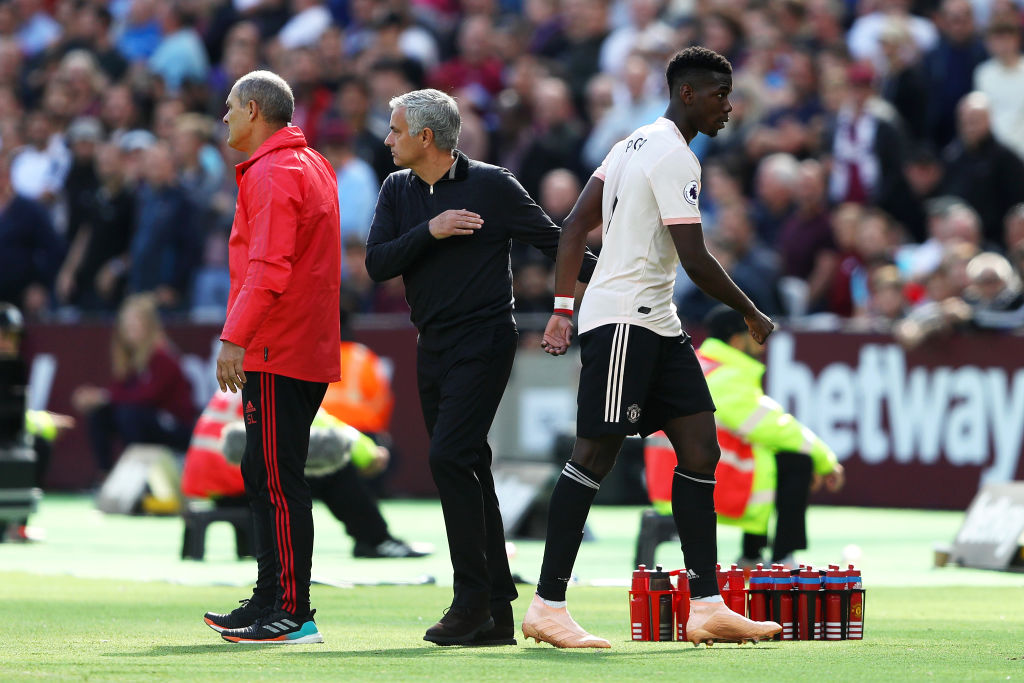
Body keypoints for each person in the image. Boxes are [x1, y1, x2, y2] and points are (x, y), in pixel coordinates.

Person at [526, 46, 782, 648]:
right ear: (687, 93)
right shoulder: (674, 155)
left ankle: (707, 606)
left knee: (700, 448)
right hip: (625, 319)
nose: (729, 106)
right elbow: (694, 257)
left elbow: (574, 228)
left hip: (657, 320)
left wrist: (564, 307)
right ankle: (547, 605)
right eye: (720, 94)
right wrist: (750, 310)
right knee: (594, 455)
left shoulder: (629, 144)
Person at [364, 88, 597, 646]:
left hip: (485, 339)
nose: (388, 139)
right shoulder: (397, 188)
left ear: (426, 137)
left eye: (396, 130)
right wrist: (431, 230)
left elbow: (555, 243)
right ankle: (494, 611)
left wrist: (617, 284)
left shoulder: (492, 184)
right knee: (469, 464)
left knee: (449, 457)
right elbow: (376, 263)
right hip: (432, 343)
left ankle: (469, 601)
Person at [203, 70, 340, 645]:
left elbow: (267, 266)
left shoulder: (273, 171)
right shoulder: (311, 163)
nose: (225, 117)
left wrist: (234, 337)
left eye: (231, 107)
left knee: (277, 479)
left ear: (254, 110)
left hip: (277, 345)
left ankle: (291, 610)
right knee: (263, 472)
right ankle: (270, 597)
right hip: (298, 342)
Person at [644, 305, 845, 569]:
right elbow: (775, 427)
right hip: (699, 481)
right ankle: (782, 560)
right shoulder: (727, 375)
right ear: (737, 340)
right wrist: (825, 461)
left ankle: (752, 556)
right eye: (757, 336)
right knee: (798, 461)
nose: (763, 345)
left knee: (765, 452)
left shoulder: (700, 364)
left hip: (674, 478)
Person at [181, 389, 430, 560]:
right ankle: (376, 540)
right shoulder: (278, 382)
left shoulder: (242, 382)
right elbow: (322, 425)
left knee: (293, 459)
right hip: (242, 482)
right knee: (334, 469)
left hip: (217, 487)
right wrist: (369, 454)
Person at [71, 293, 195, 477]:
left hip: (175, 426)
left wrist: (103, 396)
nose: (129, 328)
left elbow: (147, 396)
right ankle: (104, 474)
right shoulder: (132, 359)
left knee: (129, 414)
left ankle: (138, 474)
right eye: (126, 323)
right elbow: (121, 390)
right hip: (148, 421)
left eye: (135, 322)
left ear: (149, 325)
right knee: (100, 413)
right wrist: (99, 399)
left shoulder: (163, 355)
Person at [0, 302, 73, 542]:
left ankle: (17, 526)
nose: (7, 342)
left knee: (38, 446)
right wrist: (48, 422)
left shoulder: (13, 370)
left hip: (8, 443)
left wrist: (44, 424)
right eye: (2, 335)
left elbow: (14, 415)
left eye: (12, 336)